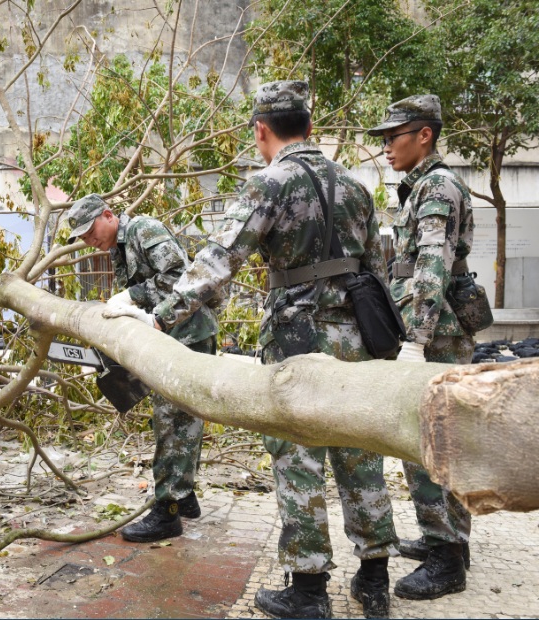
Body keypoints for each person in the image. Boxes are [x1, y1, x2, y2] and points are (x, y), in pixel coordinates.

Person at [105, 81, 399, 619]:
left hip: (299, 341)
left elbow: (218, 263)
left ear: (261, 130)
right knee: (361, 452)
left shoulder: (268, 184)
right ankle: (374, 577)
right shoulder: (357, 187)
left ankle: (308, 589)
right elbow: (377, 271)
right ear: (310, 127)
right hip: (358, 339)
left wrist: (155, 316)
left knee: (298, 456)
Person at [367, 95, 473, 601]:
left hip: (436, 335)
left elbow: (431, 264)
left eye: (394, 136)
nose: (386, 147)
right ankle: (448, 542)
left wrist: (417, 341)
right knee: (441, 441)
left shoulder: (436, 186)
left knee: (428, 443)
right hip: (437, 330)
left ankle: (446, 557)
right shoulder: (422, 186)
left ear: (424, 135)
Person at [67, 194, 219, 542]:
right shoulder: (119, 246)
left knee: (170, 421)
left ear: (108, 215)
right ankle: (186, 497)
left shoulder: (143, 230)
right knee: (186, 418)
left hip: (187, 333)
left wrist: (132, 295)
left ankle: (167, 511)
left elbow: (182, 277)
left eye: (91, 231)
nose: (90, 240)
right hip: (171, 335)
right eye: (84, 237)